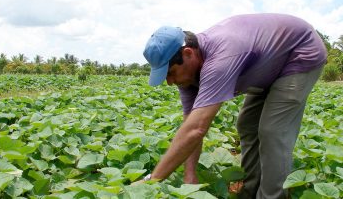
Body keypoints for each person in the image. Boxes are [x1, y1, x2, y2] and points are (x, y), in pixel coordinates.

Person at [140, 13, 327, 199]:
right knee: (247, 124)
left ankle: (272, 196)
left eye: (171, 73)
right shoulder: (188, 74)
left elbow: (196, 129)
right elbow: (190, 125)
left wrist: (153, 179)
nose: (170, 82)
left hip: (299, 52)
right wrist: (190, 176)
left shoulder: (220, 58)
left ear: (188, 53)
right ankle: (249, 192)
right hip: (268, 63)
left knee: (272, 131)